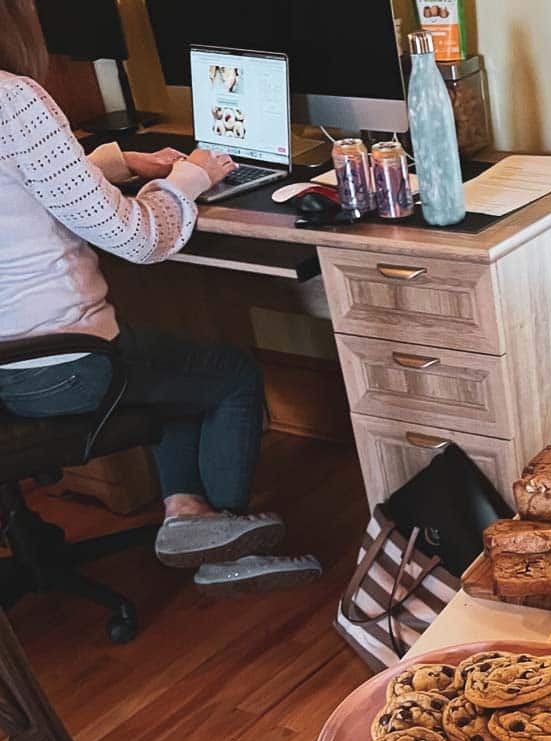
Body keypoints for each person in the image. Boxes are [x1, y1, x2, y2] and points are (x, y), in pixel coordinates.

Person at [0, 0, 318, 593]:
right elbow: (139, 239)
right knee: (229, 375)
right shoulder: (12, 99)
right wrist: (190, 179)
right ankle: (225, 549)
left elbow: (20, 189)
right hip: (62, 366)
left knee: (170, 366)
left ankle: (186, 515)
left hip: (10, 368)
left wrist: (118, 162)